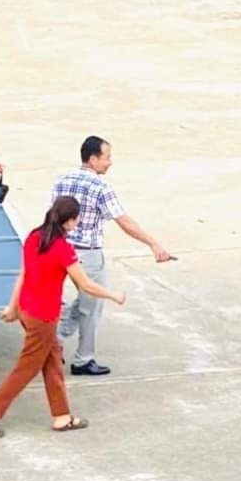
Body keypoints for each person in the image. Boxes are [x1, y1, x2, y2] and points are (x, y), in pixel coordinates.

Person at [0, 197, 126, 438]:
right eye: (76, 219)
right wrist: (113, 295)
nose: (78, 222)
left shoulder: (34, 237)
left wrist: (13, 307)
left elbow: (24, 274)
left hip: (27, 309)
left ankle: (61, 416)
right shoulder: (63, 249)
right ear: (69, 221)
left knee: (53, 360)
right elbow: (85, 285)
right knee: (26, 368)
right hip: (43, 317)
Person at [51, 136, 172, 376]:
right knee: (91, 305)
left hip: (59, 247)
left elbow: (53, 215)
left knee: (77, 301)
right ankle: (82, 358)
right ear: (93, 159)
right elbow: (124, 222)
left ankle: (54, 340)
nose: (110, 162)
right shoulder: (100, 187)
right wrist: (153, 243)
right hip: (87, 254)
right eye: (107, 157)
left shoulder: (62, 179)